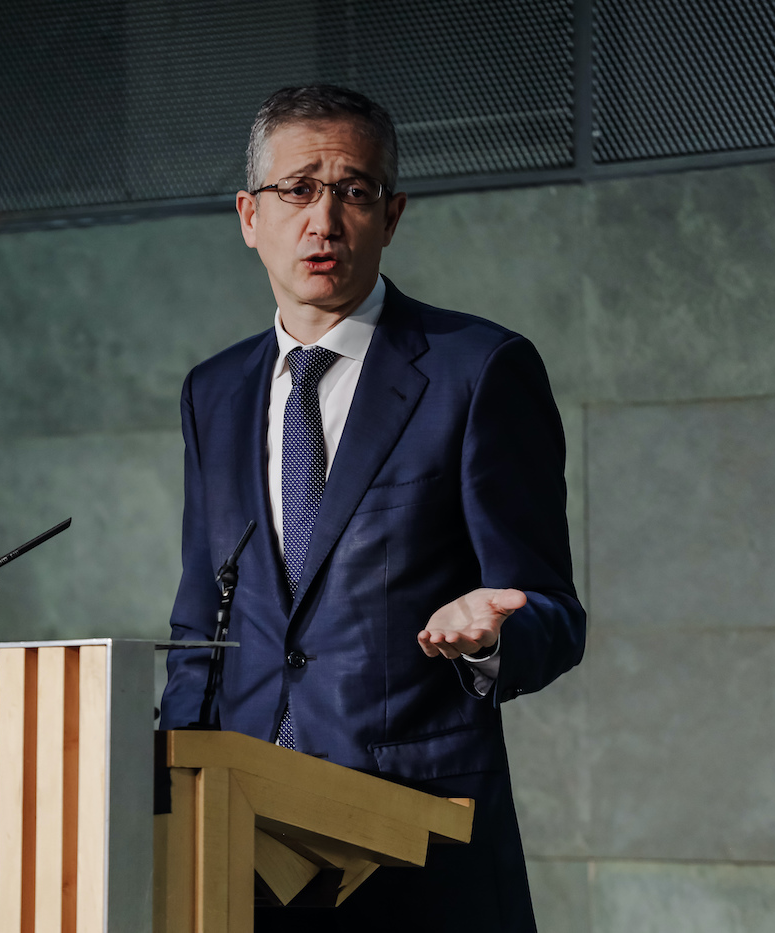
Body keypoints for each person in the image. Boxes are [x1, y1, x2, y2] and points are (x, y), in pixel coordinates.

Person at [158, 85, 586, 933]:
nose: (324, 220)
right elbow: (200, 622)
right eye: (297, 190)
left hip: (415, 847)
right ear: (249, 215)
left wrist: (495, 633)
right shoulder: (215, 391)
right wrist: (161, 793)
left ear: (390, 216)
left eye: (352, 192)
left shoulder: (479, 369)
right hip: (241, 845)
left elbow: (554, 614)